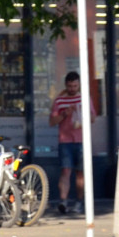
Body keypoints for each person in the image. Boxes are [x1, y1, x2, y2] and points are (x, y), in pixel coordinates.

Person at [49, 71, 97, 214]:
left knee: (80, 173)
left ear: (79, 85)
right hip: (65, 140)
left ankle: (79, 201)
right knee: (65, 171)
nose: (72, 89)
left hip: (82, 139)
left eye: (74, 86)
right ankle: (63, 201)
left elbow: (93, 118)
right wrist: (64, 114)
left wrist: (84, 113)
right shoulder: (59, 101)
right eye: (69, 86)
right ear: (66, 85)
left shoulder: (85, 98)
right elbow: (52, 122)